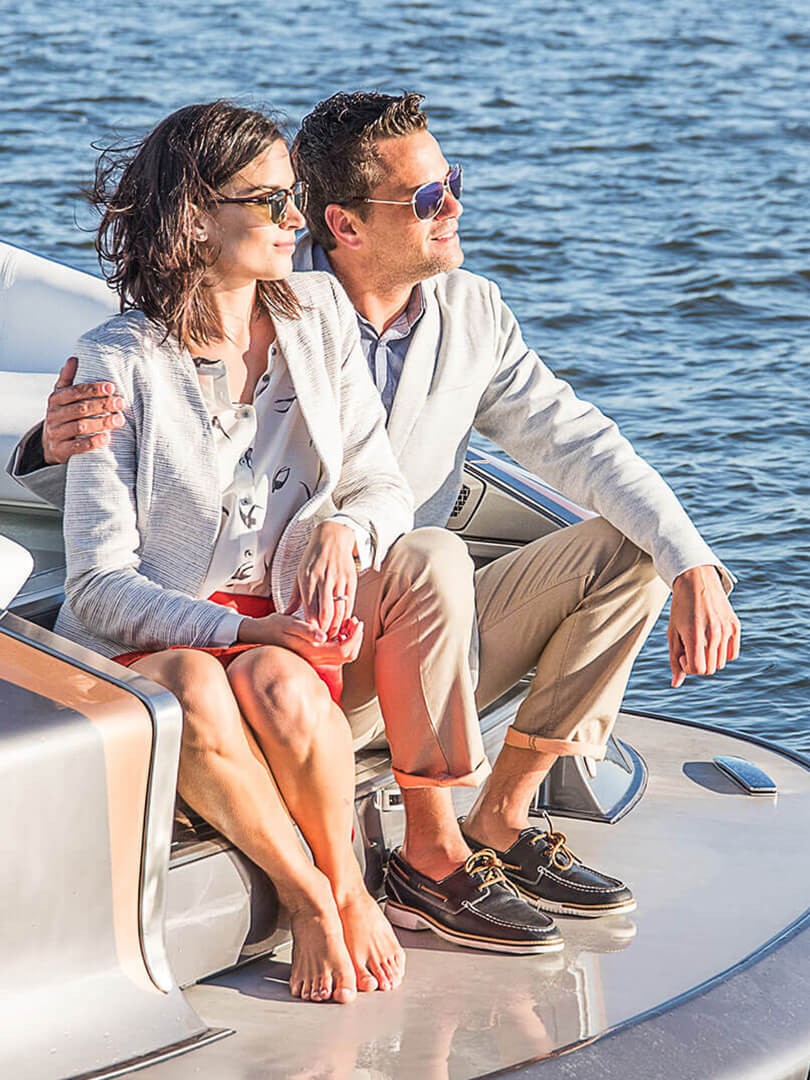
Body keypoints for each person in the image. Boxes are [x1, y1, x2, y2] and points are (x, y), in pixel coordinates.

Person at [11, 92, 740, 946]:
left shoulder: (452, 315)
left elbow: (575, 443)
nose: (456, 209)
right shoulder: (246, 314)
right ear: (344, 224)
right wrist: (50, 446)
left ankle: (495, 825)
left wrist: (692, 560)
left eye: (452, 181)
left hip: (387, 622)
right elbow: (138, 512)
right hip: (263, 632)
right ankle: (407, 864)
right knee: (410, 568)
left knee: (612, 551)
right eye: (429, 197)